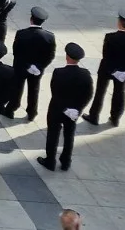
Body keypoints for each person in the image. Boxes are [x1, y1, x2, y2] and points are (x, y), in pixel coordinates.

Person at [39, 42, 94, 171]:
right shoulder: (85, 74)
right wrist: (77, 110)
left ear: (67, 56)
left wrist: (64, 109)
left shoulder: (58, 73)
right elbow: (89, 94)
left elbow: (55, 92)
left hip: (57, 109)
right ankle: (65, 162)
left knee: (53, 134)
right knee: (69, 135)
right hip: (74, 111)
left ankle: (50, 160)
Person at [85, 9, 125, 127]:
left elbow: (106, 56)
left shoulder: (110, 37)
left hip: (107, 69)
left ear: (119, 23)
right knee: (119, 93)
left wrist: (113, 71)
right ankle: (115, 118)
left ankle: (94, 116)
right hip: (124, 72)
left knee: (100, 92)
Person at [3, 6, 56, 121]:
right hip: (37, 69)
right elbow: (50, 55)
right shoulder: (49, 36)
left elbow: (16, 51)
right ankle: (32, 112)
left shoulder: (21, 33)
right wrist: (38, 67)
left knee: (17, 87)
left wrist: (27, 65)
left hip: (20, 67)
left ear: (31, 19)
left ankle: (12, 108)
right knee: (34, 89)